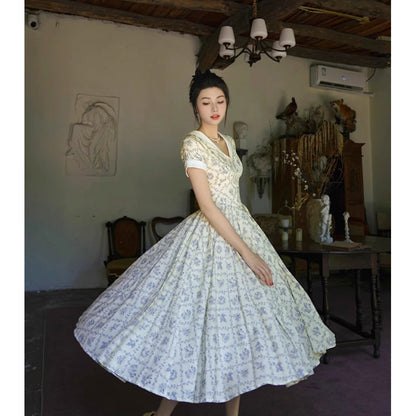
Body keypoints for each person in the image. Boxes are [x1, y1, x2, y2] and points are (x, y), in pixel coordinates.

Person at [74, 69, 336, 416]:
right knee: (190, 325)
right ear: (195, 107)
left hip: (240, 225)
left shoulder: (228, 142)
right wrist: (247, 253)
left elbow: (233, 198)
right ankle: (163, 413)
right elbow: (208, 205)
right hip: (211, 235)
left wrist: (250, 241)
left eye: (220, 101)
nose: (214, 109)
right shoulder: (192, 143)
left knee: (237, 328)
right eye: (206, 102)